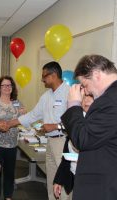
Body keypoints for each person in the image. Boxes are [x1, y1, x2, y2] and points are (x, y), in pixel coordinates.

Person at [61, 55, 117, 200]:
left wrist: (73, 104)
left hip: (110, 188)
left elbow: (82, 139)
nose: (86, 92)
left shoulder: (109, 101)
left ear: (96, 74)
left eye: (85, 84)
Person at [7, 61, 70, 200]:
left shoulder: (69, 93)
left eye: (44, 76)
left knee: (63, 182)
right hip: (50, 142)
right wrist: (11, 123)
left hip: (63, 142)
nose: (42, 80)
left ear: (53, 75)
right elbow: (33, 115)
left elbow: (75, 122)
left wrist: (54, 126)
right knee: (52, 181)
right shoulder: (46, 96)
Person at [0, 76, 25, 200]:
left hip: (11, 145)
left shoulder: (17, 103)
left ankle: (8, 197)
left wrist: (24, 115)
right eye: (4, 85)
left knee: (9, 174)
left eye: (9, 85)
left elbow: (22, 120)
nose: (7, 87)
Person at [53, 94, 94, 200]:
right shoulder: (76, 123)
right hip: (75, 179)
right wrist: (58, 180)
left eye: (90, 96)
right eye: (84, 96)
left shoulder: (99, 124)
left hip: (91, 182)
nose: (86, 100)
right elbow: (66, 157)